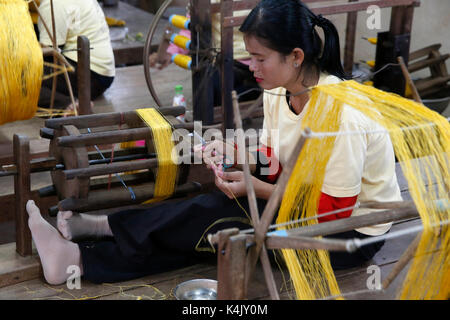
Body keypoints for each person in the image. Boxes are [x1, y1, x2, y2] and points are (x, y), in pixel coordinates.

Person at [26, 0, 401, 285]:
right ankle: (83, 252)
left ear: (296, 56)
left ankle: (90, 244)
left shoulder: (343, 115)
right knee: (209, 222)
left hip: (347, 236)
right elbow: (277, 157)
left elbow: (334, 210)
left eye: (259, 58)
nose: (251, 68)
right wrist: (237, 153)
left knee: (220, 222)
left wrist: (256, 188)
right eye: (249, 57)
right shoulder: (278, 92)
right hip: (308, 202)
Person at [149, 0, 259, 107]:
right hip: (226, 62)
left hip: (260, 59)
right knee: (208, 85)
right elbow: (192, 29)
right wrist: (171, 52)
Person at [37, 0, 115, 112]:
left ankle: (67, 104)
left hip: (87, 77)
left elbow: (50, 53)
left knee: (15, 80)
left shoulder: (52, 4)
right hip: (105, 75)